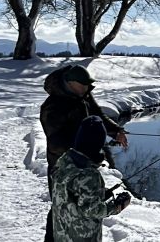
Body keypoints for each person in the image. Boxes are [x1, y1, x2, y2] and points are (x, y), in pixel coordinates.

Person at [40, 64, 128, 241]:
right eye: (84, 84)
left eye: (88, 85)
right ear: (71, 83)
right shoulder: (52, 106)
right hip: (62, 164)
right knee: (61, 207)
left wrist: (116, 130)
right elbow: (56, 141)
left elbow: (98, 118)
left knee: (82, 203)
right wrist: (85, 148)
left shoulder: (84, 95)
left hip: (84, 161)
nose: (88, 88)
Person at [51, 116, 132, 242]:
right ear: (98, 144)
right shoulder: (89, 175)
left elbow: (72, 193)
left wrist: (99, 192)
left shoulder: (64, 162)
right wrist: (117, 206)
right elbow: (92, 210)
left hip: (62, 233)